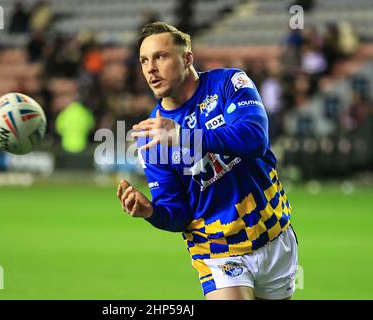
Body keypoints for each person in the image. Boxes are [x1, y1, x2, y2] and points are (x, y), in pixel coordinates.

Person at [116, 22, 298, 300]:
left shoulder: (230, 83)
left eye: (160, 56)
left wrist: (184, 136)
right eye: (144, 60)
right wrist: (152, 212)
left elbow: (255, 138)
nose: (150, 68)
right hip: (217, 251)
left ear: (187, 58)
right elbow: (178, 214)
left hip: (273, 233)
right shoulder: (151, 137)